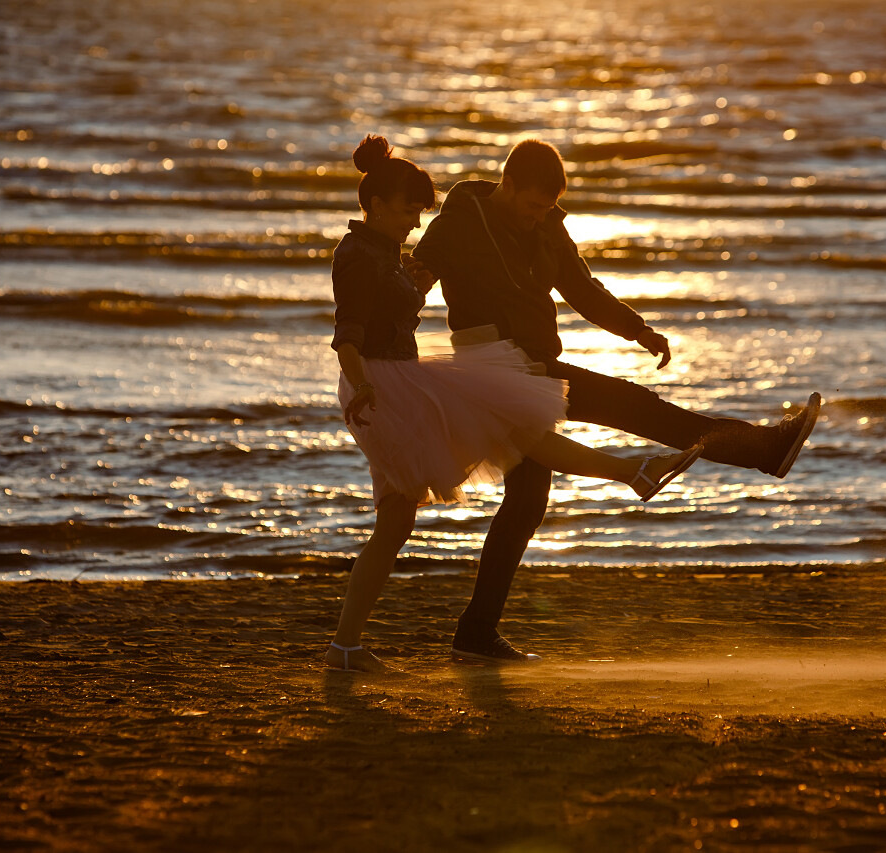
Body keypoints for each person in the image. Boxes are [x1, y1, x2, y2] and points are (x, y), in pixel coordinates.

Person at [412, 138, 822, 664]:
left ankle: (475, 634)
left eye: (547, 208)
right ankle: (766, 449)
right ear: (505, 184)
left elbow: (581, 289)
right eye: (532, 206)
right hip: (497, 372)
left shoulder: (550, 226)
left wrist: (637, 330)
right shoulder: (459, 222)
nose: (539, 218)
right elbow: (414, 283)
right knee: (639, 410)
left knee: (526, 503)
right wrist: (381, 348)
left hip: (537, 366)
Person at [325, 135, 704, 673]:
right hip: (383, 388)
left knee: (396, 522)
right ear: (377, 205)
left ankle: (345, 648)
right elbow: (347, 335)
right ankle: (633, 471)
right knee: (513, 431)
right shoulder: (359, 255)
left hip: (398, 379)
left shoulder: (385, 250)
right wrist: (361, 384)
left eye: (419, 211)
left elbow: (414, 282)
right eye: (409, 210)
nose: (414, 221)